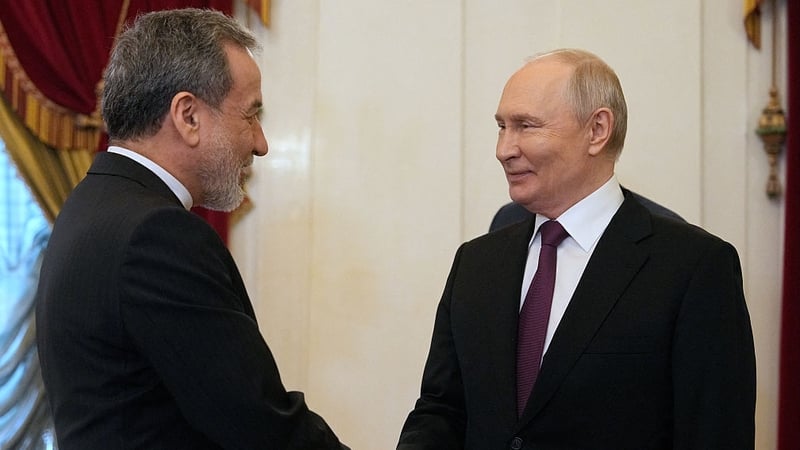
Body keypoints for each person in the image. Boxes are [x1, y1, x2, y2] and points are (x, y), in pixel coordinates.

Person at [398, 49, 755, 449]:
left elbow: (714, 433)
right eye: (501, 127)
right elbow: (442, 410)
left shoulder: (693, 267)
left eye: (526, 126)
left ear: (597, 130)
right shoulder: (477, 262)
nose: (504, 149)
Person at [35, 9, 348, 450]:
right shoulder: (157, 235)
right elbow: (257, 424)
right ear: (188, 116)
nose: (261, 142)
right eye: (250, 115)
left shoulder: (92, 204)